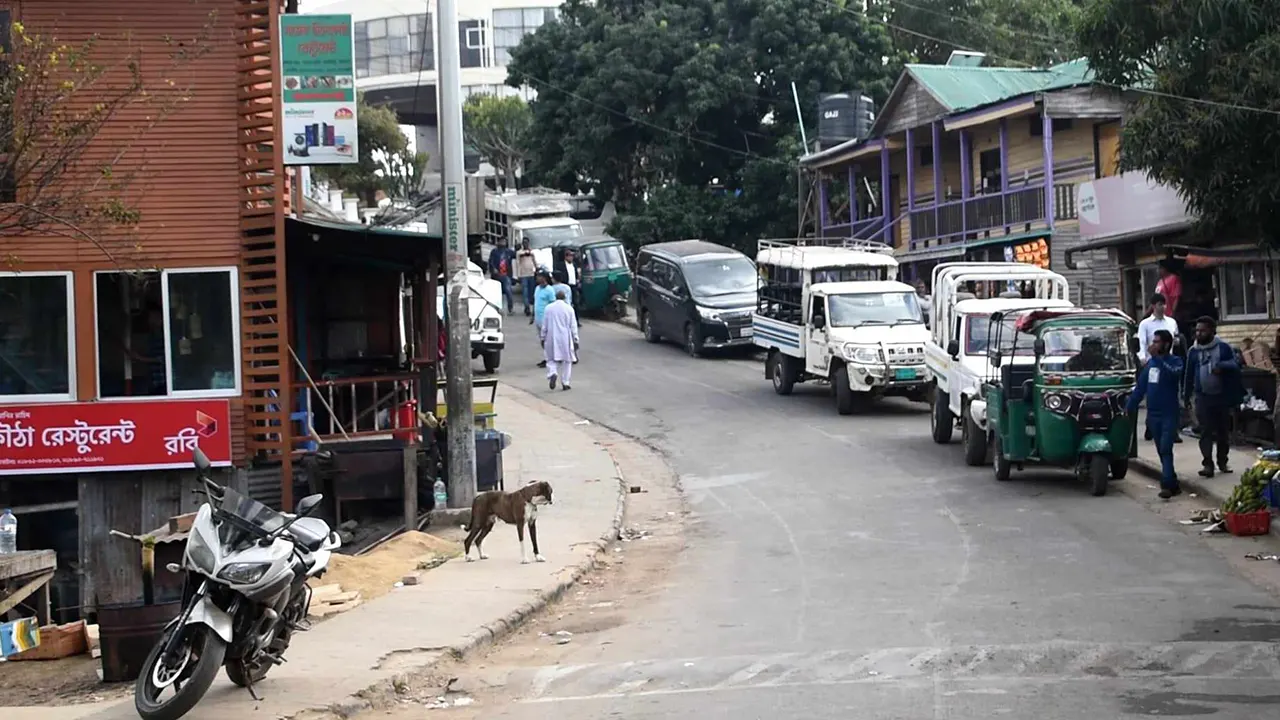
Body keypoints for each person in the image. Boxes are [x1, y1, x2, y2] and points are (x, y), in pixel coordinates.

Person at [1128, 329, 1185, 499]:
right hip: (1153, 415)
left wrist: (1159, 360)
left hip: (1169, 412)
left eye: (1157, 342)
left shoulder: (1175, 361)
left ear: (1166, 344)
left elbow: (1174, 374)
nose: (1153, 345)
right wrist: (1129, 406)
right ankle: (1172, 482)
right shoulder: (1150, 365)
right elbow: (1140, 388)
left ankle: (1166, 485)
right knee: (1161, 449)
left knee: (1166, 448)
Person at [1183, 316, 1242, 477]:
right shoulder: (1193, 351)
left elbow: (1235, 364)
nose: (1199, 334)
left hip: (1221, 397)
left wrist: (1221, 367)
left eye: (1203, 330)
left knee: (1223, 432)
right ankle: (1207, 464)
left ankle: (1222, 461)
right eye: (1197, 330)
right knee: (1205, 431)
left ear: (1212, 331)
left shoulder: (1223, 348)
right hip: (1202, 397)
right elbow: (1188, 374)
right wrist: (1186, 395)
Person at [540, 289, 579, 391]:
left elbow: (545, 325)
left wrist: (542, 337)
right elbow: (573, 326)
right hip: (565, 337)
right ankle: (565, 382)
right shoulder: (569, 309)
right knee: (567, 360)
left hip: (551, 336)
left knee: (551, 358)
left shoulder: (548, 308)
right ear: (564, 297)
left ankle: (553, 373)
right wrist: (576, 339)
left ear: (556, 297)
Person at [1137, 293, 1180, 364]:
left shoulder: (1172, 322)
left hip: (1169, 362)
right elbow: (1142, 343)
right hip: (1151, 362)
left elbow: (1176, 341)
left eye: (1164, 304)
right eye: (1160, 304)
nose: (1163, 307)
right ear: (1153, 306)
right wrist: (1143, 358)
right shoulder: (1145, 324)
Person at [532, 270, 556, 367]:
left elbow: (553, 304)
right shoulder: (537, 288)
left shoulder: (550, 290)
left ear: (544, 278)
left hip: (546, 319)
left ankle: (549, 359)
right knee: (542, 340)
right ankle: (548, 357)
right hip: (538, 318)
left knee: (546, 340)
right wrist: (532, 316)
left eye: (539, 276)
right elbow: (535, 302)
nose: (537, 278)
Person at [487, 240, 516, 314]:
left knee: (508, 291)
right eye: (501, 242)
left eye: (504, 242)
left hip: (506, 275)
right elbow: (491, 261)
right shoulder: (494, 251)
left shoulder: (509, 252)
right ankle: (498, 308)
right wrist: (493, 269)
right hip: (497, 275)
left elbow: (516, 256)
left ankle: (510, 308)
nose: (502, 243)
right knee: (497, 293)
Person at [515, 240, 537, 316]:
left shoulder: (531, 252)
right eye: (524, 243)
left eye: (527, 243)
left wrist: (536, 268)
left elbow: (534, 261)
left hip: (531, 273)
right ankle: (527, 307)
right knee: (525, 292)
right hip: (523, 274)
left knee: (532, 292)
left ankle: (533, 307)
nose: (526, 244)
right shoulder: (519, 253)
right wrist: (518, 275)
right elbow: (517, 263)